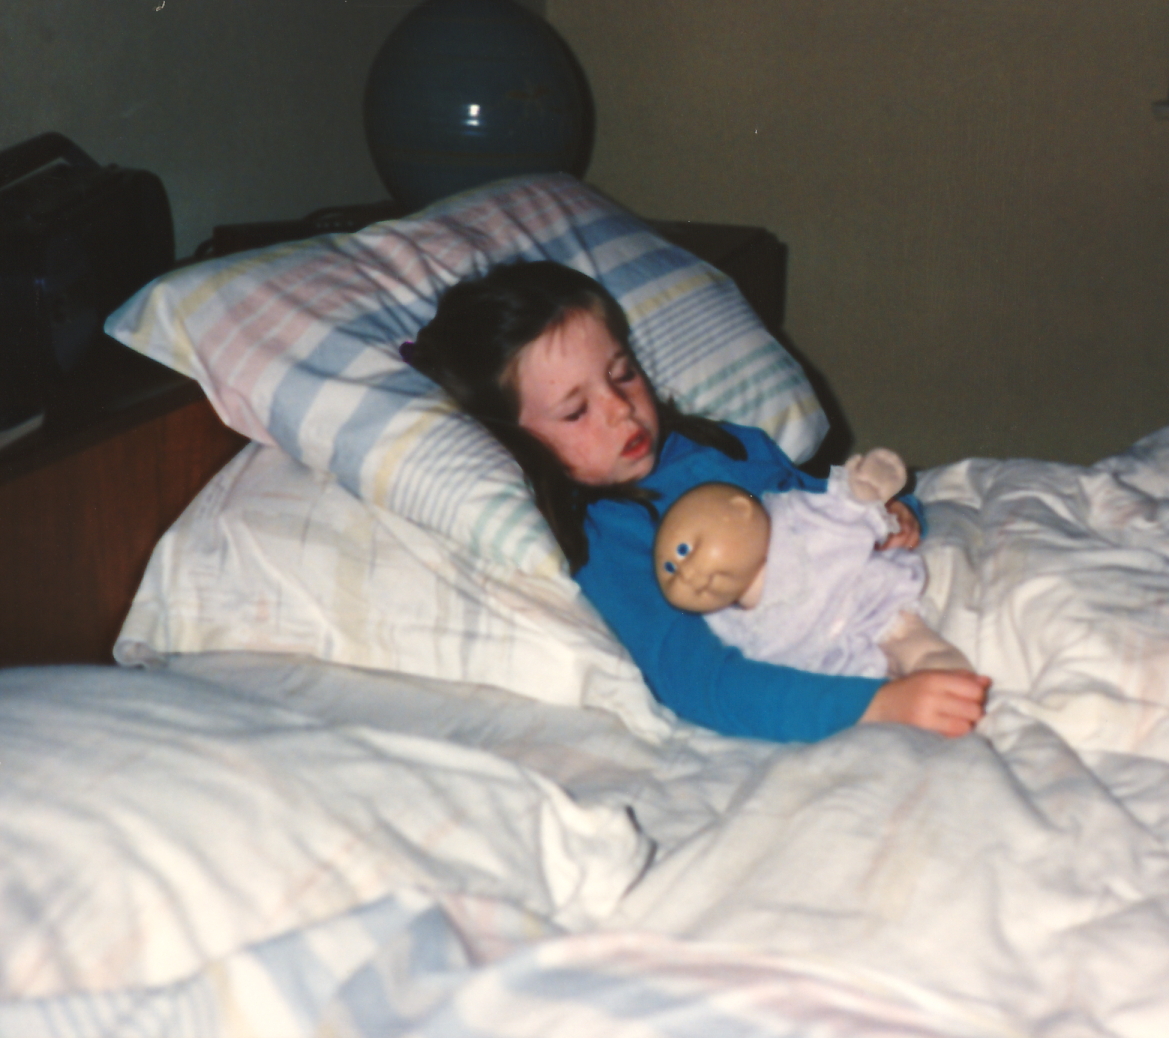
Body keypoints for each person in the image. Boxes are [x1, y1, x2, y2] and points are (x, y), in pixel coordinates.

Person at [409, 260, 989, 741]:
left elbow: (824, 504)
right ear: (516, 442)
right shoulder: (612, 540)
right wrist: (876, 706)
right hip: (827, 679)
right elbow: (700, 681)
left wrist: (893, 515)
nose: (620, 408)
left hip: (889, 605)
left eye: (622, 374)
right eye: (576, 411)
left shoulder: (727, 445)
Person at [653, 451, 972, 679]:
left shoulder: (793, 518)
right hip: (833, 668)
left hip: (869, 609)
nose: (684, 574)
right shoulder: (721, 623)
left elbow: (837, 509)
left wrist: (864, 492)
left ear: (740, 511)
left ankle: (944, 674)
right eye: (669, 570)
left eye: (684, 551)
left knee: (915, 649)